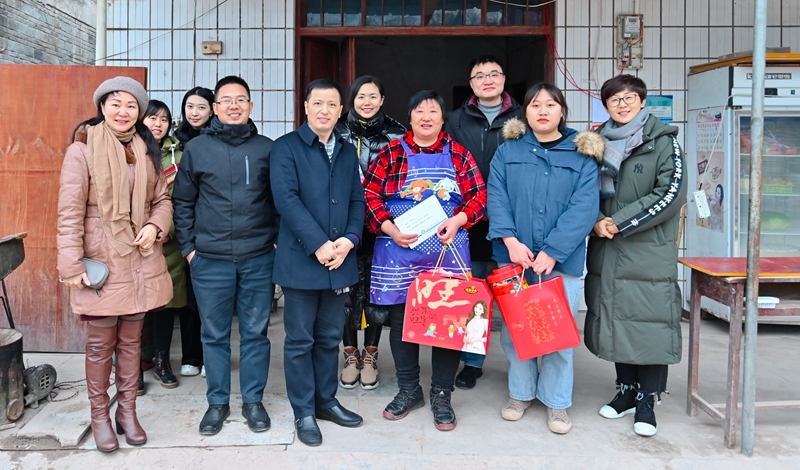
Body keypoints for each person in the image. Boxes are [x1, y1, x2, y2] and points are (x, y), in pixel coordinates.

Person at [57, 76, 173, 453]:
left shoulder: (146, 148)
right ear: (102, 107)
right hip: (102, 260)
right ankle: (99, 416)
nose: (123, 112)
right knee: (99, 345)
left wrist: (155, 226)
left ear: (139, 112)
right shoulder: (82, 149)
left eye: (131, 105)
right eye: (116, 104)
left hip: (140, 259)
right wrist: (71, 264)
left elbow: (162, 199)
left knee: (131, 341)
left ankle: (127, 412)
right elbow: (69, 213)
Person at [364, 90, 487, 431]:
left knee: (447, 322)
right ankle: (409, 390)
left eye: (433, 111)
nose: (426, 117)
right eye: (419, 111)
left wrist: (459, 220)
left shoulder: (458, 154)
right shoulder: (391, 152)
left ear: (443, 119)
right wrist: (389, 228)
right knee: (402, 322)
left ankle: (442, 394)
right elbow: (369, 195)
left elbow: (479, 195)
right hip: (398, 249)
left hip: (447, 249)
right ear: (410, 117)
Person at [487, 83, 602, 434]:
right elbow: (496, 196)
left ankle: (556, 401)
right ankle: (520, 393)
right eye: (535, 104)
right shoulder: (508, 151)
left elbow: (585, 207)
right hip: (514, 257)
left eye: (550, 104)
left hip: (561, 260)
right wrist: (510, 241)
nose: (543, 111)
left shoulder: (581, 154)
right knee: (516, 331)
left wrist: (553, 251)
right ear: (525, 111)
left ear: (561, 110)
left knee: (558, 332)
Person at [173, 76, 278, 436]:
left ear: (251, 106)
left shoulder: (267, 149)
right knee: (214, 335)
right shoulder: (197, 149)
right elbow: (183, 202)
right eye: (227, 100)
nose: (234, 106)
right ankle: (217, 403)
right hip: (209, 259)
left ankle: (253, 401)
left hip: (258, 257)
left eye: (241, 99)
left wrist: (275, 243)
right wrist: (190, 250)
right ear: (215, 108)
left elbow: (279, 201)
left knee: (255, 333)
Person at [584, 74, 687, 438]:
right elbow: (581, 190)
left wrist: (619, 221)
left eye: (629, 98)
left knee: (650, 322)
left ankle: (648, 399)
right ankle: (626, 391)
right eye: (615, 99)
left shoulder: (664, 142)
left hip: (647, 249)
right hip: (607, 246)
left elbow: (670, 193)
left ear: (643, 101)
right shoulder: (594, 142)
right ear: (606, 105)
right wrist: (596, 220)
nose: (623, 104)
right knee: (616, 318)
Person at [271, 79, 366, 447]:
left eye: (332, 104)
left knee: (329, 338)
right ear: (306, 107)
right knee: (299, 340)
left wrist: (349, 240)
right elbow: (286, 200)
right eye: (318, 103)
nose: (325, 110)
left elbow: (356, 200)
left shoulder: (346, 149)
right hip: (301, 260)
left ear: (341, 111)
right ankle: (304, 411)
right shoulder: (286, 148)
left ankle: (326, 401)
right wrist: (318, 244)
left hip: (339, 259)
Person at [446, 54, 523, 390]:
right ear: (471, 83)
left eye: (494, 74)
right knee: (474, 293)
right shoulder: (455, 120)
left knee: (516, 295)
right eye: (480, 75)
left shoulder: (524, 116)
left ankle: (523, 367)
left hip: (514, 221)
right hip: (470, 220)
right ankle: (472, 362)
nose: (487, 80)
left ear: (504, 79)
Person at [334, 75, 406, 390]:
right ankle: (350, 354)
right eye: (361, 96)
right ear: (351, 100)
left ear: (382, 99)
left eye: (373, 96)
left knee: (377, 291)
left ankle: (371, 354)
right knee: (345, 292)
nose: (367, 102)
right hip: (343, 225)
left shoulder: (397, 134)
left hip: (383, 225)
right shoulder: (336, 131)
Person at [138, 100, 195, 393]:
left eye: (164, 120)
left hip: (167, 242)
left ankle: (162, 362)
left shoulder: (179, 156)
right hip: (132, 241)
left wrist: (163, 230)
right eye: (152, 118)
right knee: (134, 305)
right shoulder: (128, 151)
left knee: (163, 304)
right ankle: (133, 365)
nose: (158, 124)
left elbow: (182, 200)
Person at [170, 86, 215, 378]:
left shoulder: (218, 139)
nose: (194, 113)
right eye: (190, 106)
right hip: (184, 226)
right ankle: (191, 356)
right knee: (188, 296)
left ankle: (212, 355)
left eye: (201, 107)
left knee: (211, 298)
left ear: (212, 110)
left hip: (212, 226)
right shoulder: (175, 142)